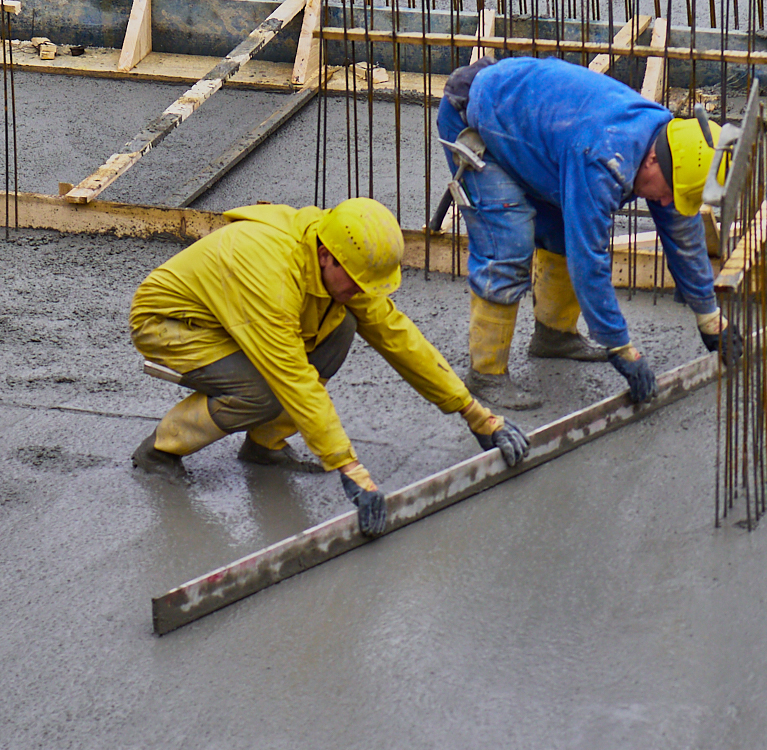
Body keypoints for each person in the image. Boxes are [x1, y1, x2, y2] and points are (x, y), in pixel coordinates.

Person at [129, 195, 530, 536]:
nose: (361, 291)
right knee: (263, 393)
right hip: (171, 323)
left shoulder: (342, 259)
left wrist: (475, 413)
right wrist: (347, 465)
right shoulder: (272, 275)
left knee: (341, 326)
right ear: (326, 256)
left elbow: (399, 338)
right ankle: (161, 450)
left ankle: (264, 445)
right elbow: (293, 379)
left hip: (232, 315)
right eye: (356, 283)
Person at [435, 56, 742, 411]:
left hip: (534, 124)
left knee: (561, 228)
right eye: (670, 191)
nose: (665, 201)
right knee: (507, 240)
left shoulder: (669, 145)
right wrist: (619, 345)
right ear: (653, 161)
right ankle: (486, 373)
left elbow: (682, 233)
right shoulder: (603, 158)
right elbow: (589, 258)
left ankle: (554, 337)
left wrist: (709, 316)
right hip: (473, 116)